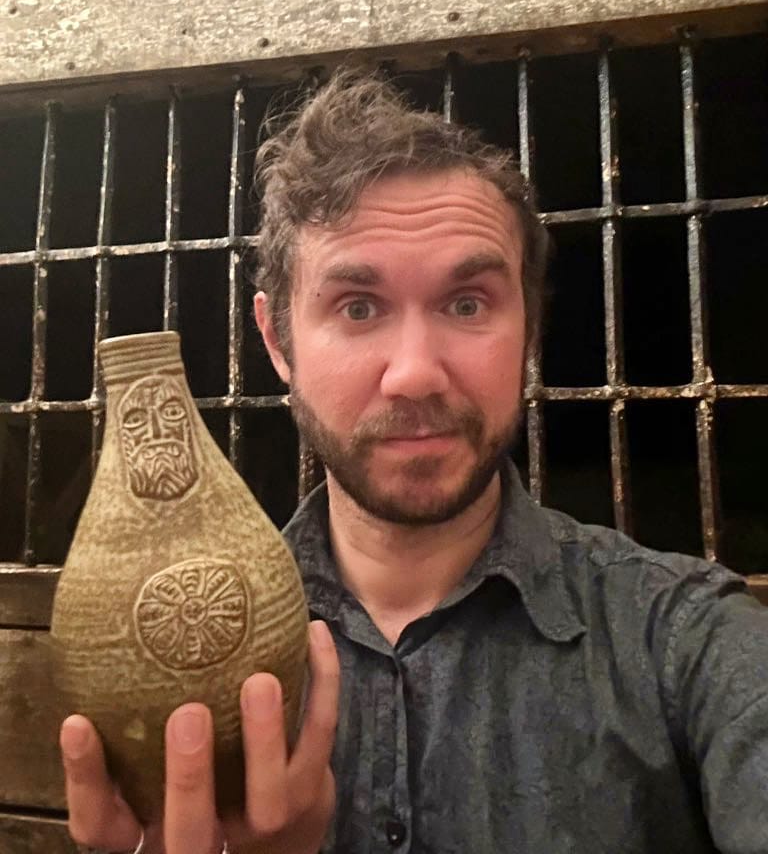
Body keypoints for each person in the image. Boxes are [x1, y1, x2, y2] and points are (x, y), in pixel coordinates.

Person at [60, 70, 768, 854]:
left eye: (467, 304)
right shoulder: (181, 672)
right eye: (358, 308)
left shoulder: (690, 643)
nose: (415, 374)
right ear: (276, 340)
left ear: (529, 330)